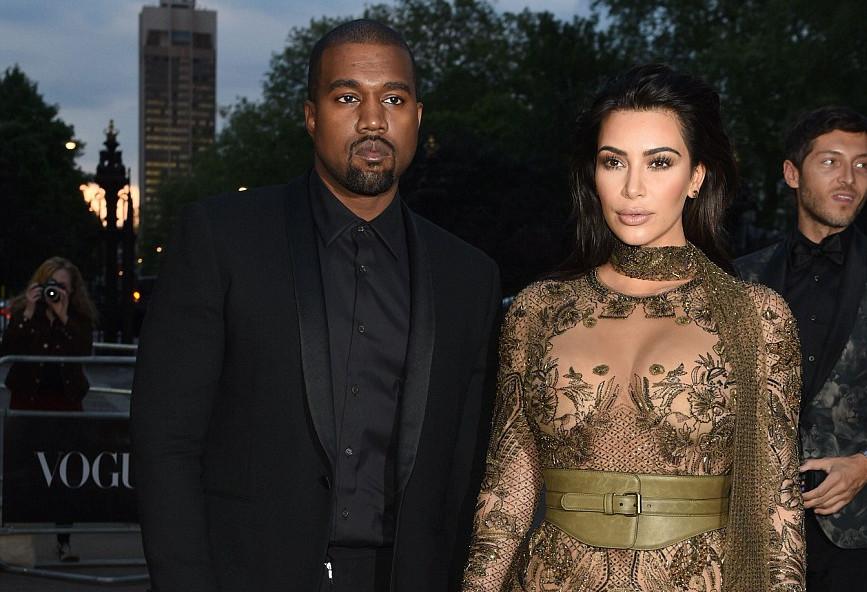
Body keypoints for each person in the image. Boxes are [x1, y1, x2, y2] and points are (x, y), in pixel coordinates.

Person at [131, 19, 501, 592]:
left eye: (394, 99)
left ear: (418, 116)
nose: (373, 120)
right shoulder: (221, 240)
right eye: (348, 97)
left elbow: (467, 471)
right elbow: (166, 442)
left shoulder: (468, 277)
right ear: (311, 116)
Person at [462, 64, 805, 592]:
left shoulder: (757, 317)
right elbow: (506, 490)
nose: (632, 188)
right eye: (613, 162)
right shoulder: (537, 310)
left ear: (696, 177)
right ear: (593, 173)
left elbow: (777, 506)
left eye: (659, 162)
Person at [736, 106, 867, 590]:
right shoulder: (740, 279)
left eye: (862, 164)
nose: (849, 178)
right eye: (831, 161)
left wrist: (865, 465)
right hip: (754, 531)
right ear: (792, 174)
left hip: (857, 536)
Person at [0, 256, 96, 562]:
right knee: (20, 470)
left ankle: (64, 541)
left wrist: (64, 315)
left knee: (66, 472)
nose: (56, 291)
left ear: (73, 290)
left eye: (63, 286)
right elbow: (8, 348)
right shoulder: (24, 311)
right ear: (39, 284)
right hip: (28, 400)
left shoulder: (79, 318)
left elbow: (84, 351)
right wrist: (28, 313)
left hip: (65, 402)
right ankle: (14, 543)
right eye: (51, 284)